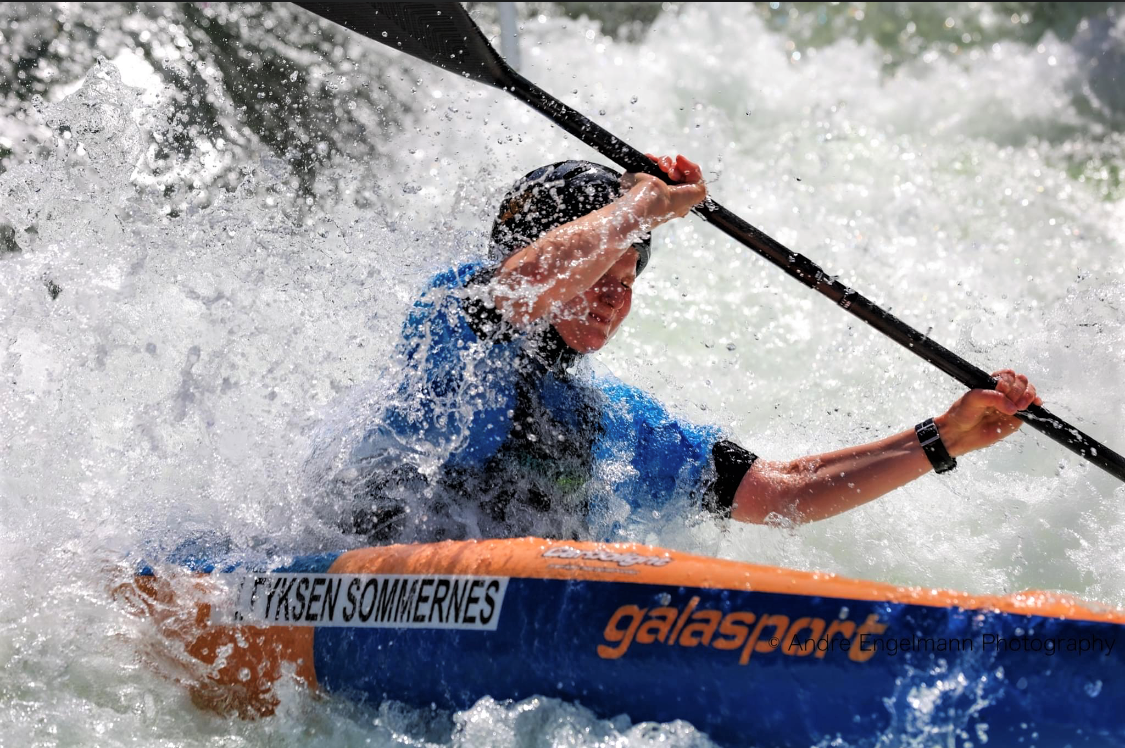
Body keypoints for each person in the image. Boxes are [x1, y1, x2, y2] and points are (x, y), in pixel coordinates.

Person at [327, 154, 1040, 544]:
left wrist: (941, 438)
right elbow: (529, 284)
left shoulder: (610, 420)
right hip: (362, 582)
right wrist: (636, 208)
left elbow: (781, 491)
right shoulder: (453, 320)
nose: (614, 296)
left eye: (627, 279)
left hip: (507, 609)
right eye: (598, 273)